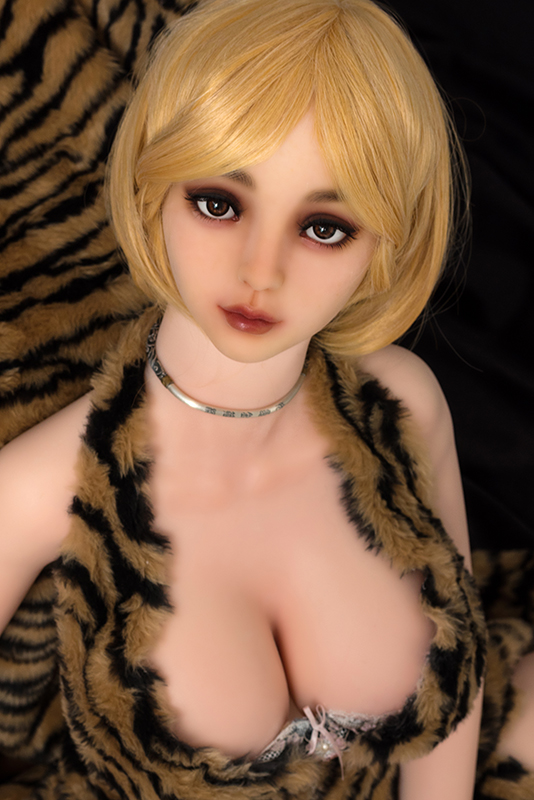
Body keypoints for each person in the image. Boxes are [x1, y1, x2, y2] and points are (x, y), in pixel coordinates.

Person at [0, 0, 530, 797]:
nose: (261, 272)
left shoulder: (401, 404)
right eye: (219, 203)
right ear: (152, 186)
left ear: (386, 243)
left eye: (325, 227)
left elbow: (459, 680)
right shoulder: (42, 488)